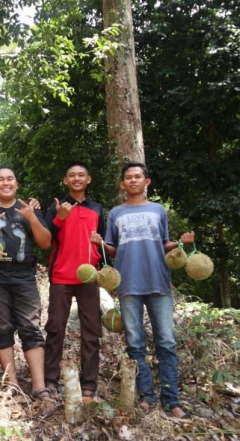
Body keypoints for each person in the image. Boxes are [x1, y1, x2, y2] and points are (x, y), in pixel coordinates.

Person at [94, 161, 194, 420]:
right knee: (135, 343)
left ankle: (171, 399)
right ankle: (147, 396)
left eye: (138, 176)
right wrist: (100, 244)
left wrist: (182, 245)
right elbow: (114, 249)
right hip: (128, 283)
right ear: (122, 184)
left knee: (166, 342)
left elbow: (162, 244)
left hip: (158, 281)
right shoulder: (115, 213)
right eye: (128, 177)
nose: (133, 180)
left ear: (147, 181)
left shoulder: (158, 210)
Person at [0, 166, 54, 404]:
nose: (5, 183)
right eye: (0, 179)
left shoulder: (28, 208)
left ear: (17, 184)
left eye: (10, 179)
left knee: (31, 328)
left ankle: (40, 387)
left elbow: (46, 242)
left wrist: (32, 218)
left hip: (24, 275)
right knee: (1, 328)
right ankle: (12, 384)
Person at [43, 162, 106, 400]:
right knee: (55, 328)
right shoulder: (58, 207)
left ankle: (89, 383)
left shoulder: (98, 209)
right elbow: (46, 238)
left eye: (81, 175)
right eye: (72, 175)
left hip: (89, 277)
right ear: (65, 180)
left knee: (91, 331)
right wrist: (59, 218)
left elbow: (104, 241)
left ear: (88, 180)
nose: (77, 178)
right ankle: (50, 380)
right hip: (61, 275)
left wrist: (100, 247)